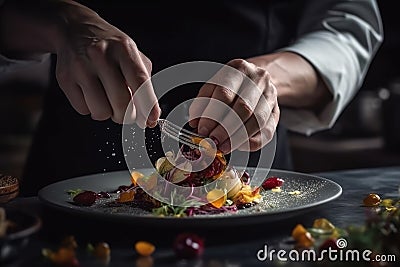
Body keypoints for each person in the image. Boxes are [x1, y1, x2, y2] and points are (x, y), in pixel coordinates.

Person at [0, 0, 383, 196]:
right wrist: (60, 20)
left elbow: (348, 29)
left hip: (250, 182)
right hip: (73, 170)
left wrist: (266, 77)